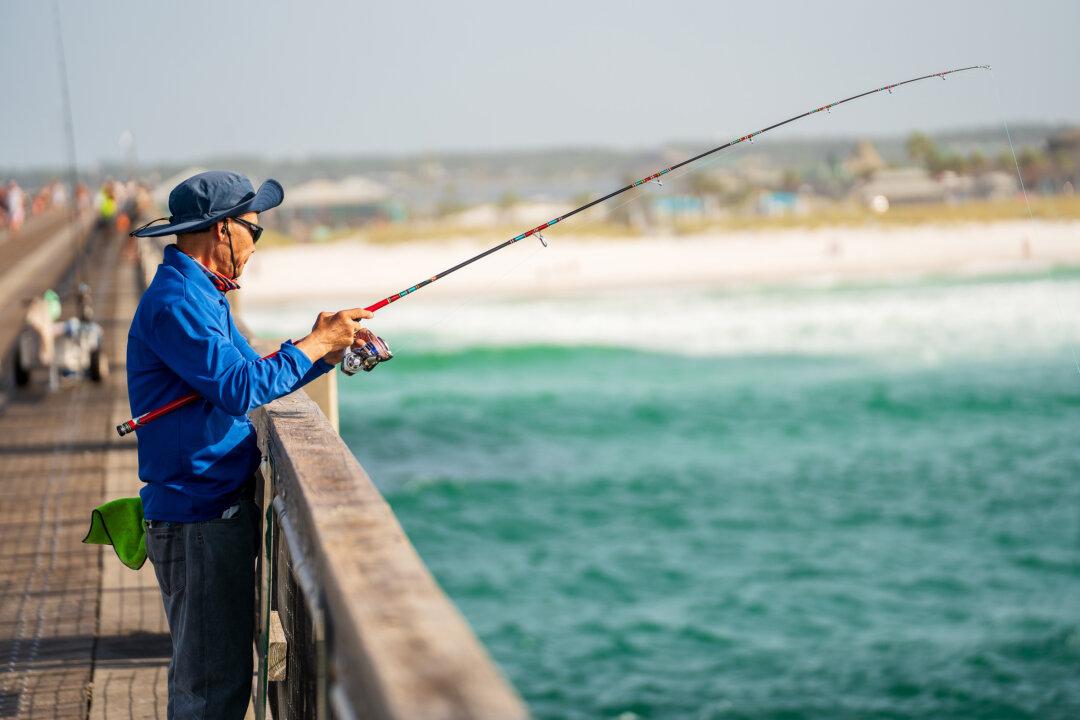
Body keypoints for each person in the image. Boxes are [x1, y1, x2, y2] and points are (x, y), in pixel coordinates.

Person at [128, 170, 390, 719]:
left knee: (221, 683)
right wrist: (315, 343)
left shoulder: (203, 295)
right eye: (256, 229)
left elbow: (251, 372)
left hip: (213, 514)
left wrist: (323, 348)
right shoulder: (177, 302)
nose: (256, 242)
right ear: (224, 230)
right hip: (197, 519)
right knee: (210, 693)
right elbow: (238, 389)